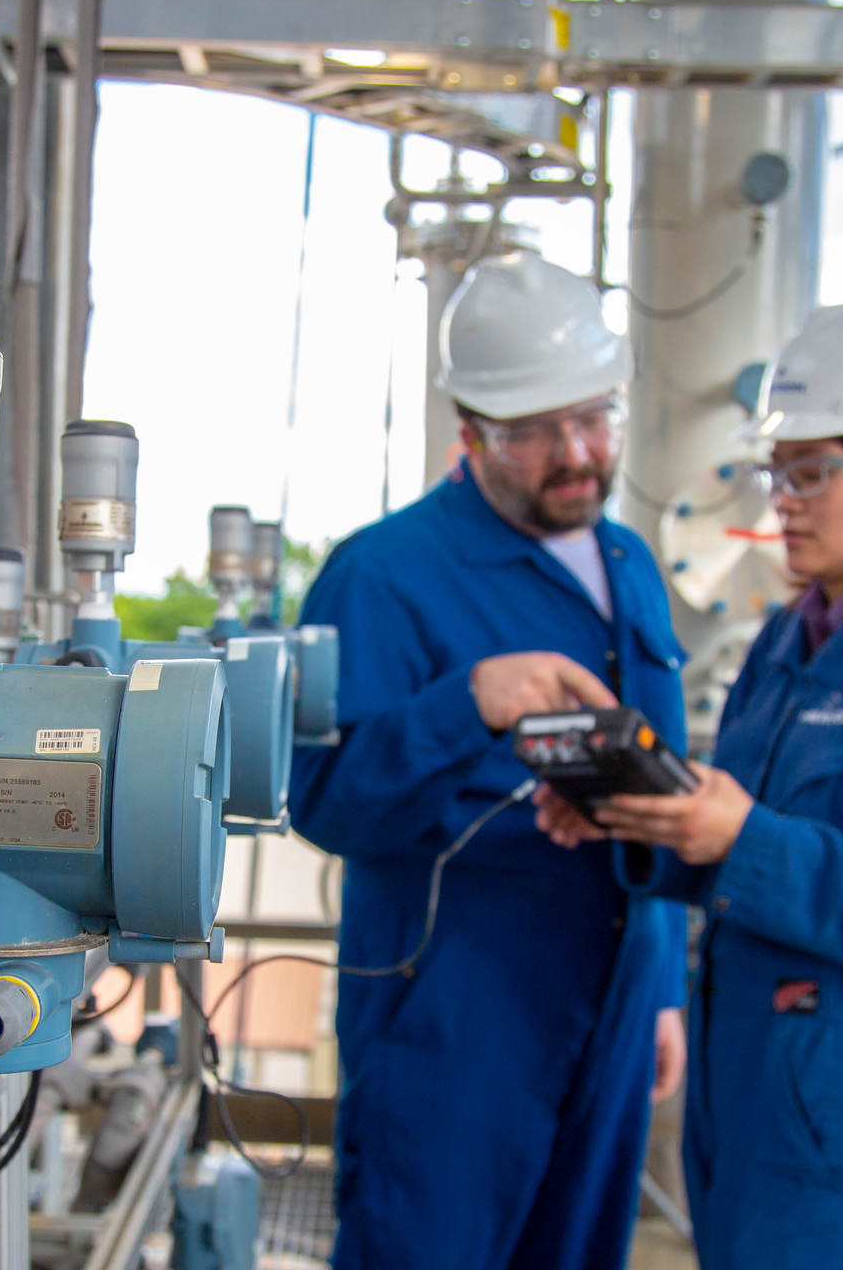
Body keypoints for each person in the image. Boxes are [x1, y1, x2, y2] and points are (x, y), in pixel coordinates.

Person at [536, 304, 843, 1270]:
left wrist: (744, 838)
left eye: (812, 474)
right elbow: (733, 847)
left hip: (838, 1095)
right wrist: (638, 821)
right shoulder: (785, 637)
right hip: (739, 1073)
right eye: (777, 474)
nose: (783, 504)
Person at [290, 251, 689, 1270]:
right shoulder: (381, 574)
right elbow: (325, 802)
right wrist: (466, 702)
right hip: (455, 1008)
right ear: (468, 430)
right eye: (533, 431)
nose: (576, 453)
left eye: (594, 417)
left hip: (617, 990)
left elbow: (667, 778)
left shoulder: (632, 564)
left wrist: (664, 988)